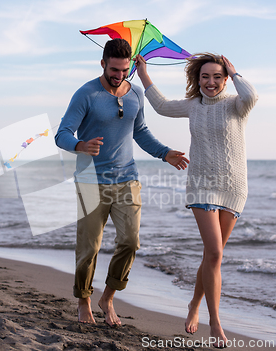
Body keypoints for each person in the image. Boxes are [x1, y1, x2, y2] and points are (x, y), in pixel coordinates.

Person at [55, 38, 189, 327]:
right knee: (89, 247)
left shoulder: (135, 94)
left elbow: (139, 131)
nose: (119, 76)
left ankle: (109, 297)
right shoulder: (86, 94)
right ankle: (83, 300)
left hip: (127, 178)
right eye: (114, 70)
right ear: (103, 64)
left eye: (124, 70)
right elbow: (62, 132)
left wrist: (164, 153)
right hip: (91, 180)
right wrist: (80, 145)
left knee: (130, 241)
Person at [135, 53, 258, 347]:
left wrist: (234, 71)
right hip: (202, 185)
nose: (211, 82)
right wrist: (143, 74)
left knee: (211, 256)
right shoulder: (193, 105)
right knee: (215, 253)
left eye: (217, 76)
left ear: (226, 79)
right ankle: (215, 323)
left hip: (234, 187)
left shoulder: (237, 105)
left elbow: (252, 95)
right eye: (205, 77)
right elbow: (162, 106)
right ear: (197, 79)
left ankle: (194, 304)